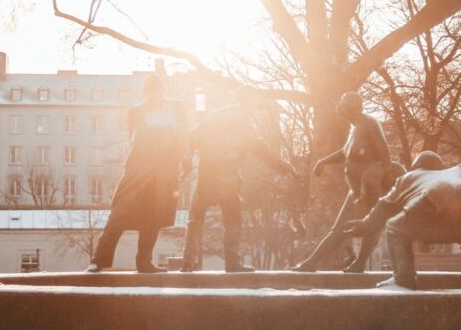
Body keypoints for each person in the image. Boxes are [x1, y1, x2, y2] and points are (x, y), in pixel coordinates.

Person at [343, 150, 461, 294]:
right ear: (440, 167)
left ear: (416, 167)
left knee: (394, 228)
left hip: (431, 205)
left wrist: (364, 225)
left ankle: (403, 280)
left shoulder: (407, 178)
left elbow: (383, 207)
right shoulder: (458, 171)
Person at [180, 94, 300, 272]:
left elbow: (191, 137)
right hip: (227, 178)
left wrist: (188, 163)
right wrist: (287, 169)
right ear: (250, 104)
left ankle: (188, 261)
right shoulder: (245, 124)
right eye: (256, 107)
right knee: (233, 220)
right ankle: (232, 262)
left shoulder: (216, 116)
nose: (256, 111)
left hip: (207, 175)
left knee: (195, 218)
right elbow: (263, 152)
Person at [85, 74, 188, 273]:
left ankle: (143, 262)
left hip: (161, 171)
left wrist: (185, 159)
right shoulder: (137, 111)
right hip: (139, 170)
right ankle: (99, 260)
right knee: (119, 214)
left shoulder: (174, 109)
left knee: (153, 217)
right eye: (151, 90)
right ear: (146, 92)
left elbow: (182, 136)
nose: (155, 94)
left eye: (157, 89)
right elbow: (137, 138)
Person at [293, 91, 404, 272]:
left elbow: (384, 152)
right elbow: (345, 152)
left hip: (369, 188)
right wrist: (323, 162)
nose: (339, 107)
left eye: (343, 103)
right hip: (355, 192)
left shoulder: (369, 123)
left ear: (351, 106)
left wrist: (382, 181)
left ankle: (356, 263)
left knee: (371, 226)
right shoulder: (355, 128)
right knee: (339, 229)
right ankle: (312, 263)